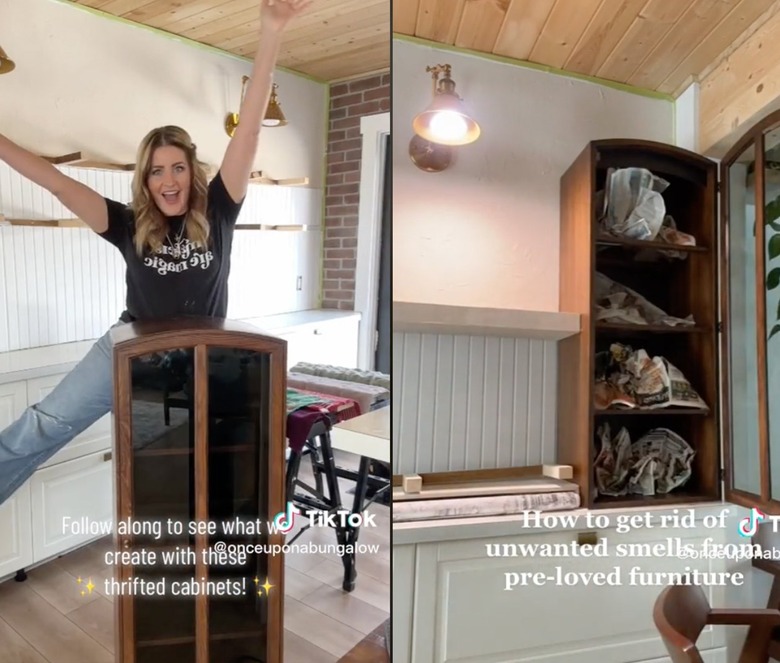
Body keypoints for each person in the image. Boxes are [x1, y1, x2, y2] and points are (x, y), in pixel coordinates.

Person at [0, 0, 310, 506]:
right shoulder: (125, 223)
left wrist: (270, 31)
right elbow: (55, 183)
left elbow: (248, 133)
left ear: (193, 171)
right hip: (127, 349)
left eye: (178, 167)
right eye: (157, 170)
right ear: (145, 179)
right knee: (43, 425)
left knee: (176, 472)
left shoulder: (220, 211)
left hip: (198, 360)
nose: (169, 180)